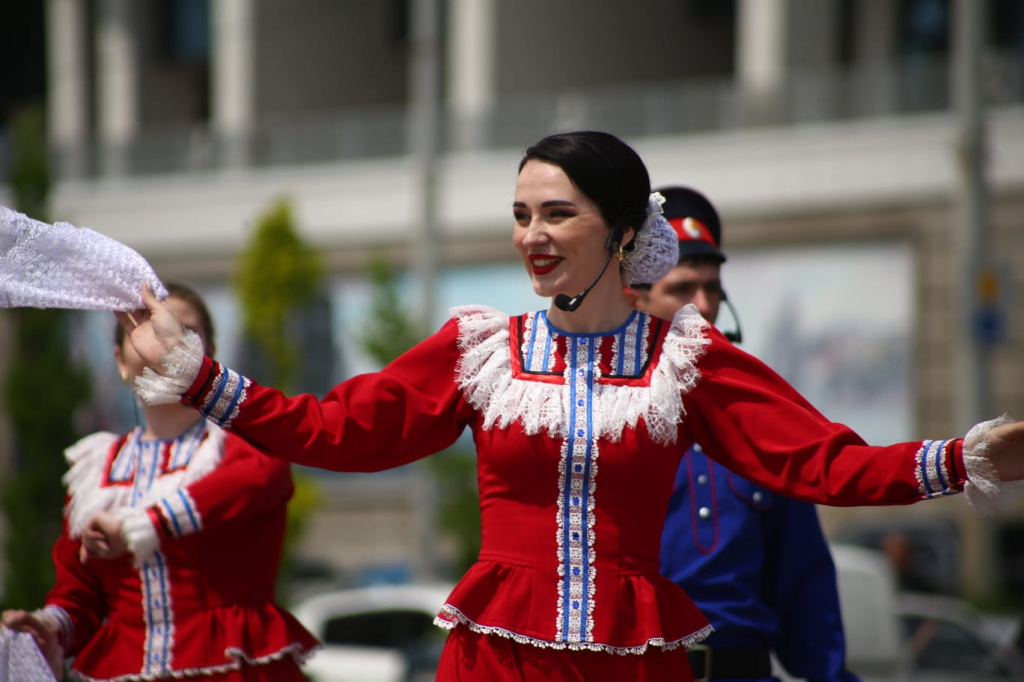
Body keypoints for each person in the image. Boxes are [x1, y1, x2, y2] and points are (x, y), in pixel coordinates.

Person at [106, 131, 1023, 681]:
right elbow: (338, 429)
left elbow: (820, 462)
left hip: (635, 660)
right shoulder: (478, 348)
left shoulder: (686, 358)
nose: (532, 236)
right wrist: (204, 379)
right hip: (498, 656)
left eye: (557, 214)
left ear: (621, 232)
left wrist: (967, 457)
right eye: (521, 215)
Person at [0, 283, 319, 682]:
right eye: (146, 330)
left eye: (185, 333)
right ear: (120, 360)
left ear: (208, 356)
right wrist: (47, 627)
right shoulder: (97, 467)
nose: (165, 344)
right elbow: (80, 598)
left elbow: (256, 479)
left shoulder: (241, 443)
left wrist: (141, 525)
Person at [626, 186, 859, 681]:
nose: (702, 306)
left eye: (713, 289)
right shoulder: (603, 416)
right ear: (635, 298)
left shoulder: (755, 417)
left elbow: (805, 584)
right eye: (682, 290)